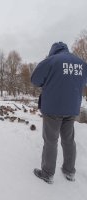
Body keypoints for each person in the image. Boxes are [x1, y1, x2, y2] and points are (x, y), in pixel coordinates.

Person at [31, 42, 87, 184]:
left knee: (51, 141)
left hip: (53, 109)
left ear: (53, 51)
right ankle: (69, 171)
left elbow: (35, 80)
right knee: (68, 140)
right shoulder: (80, 63)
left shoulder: (51, 61)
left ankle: (47, 173)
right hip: (72, 109)